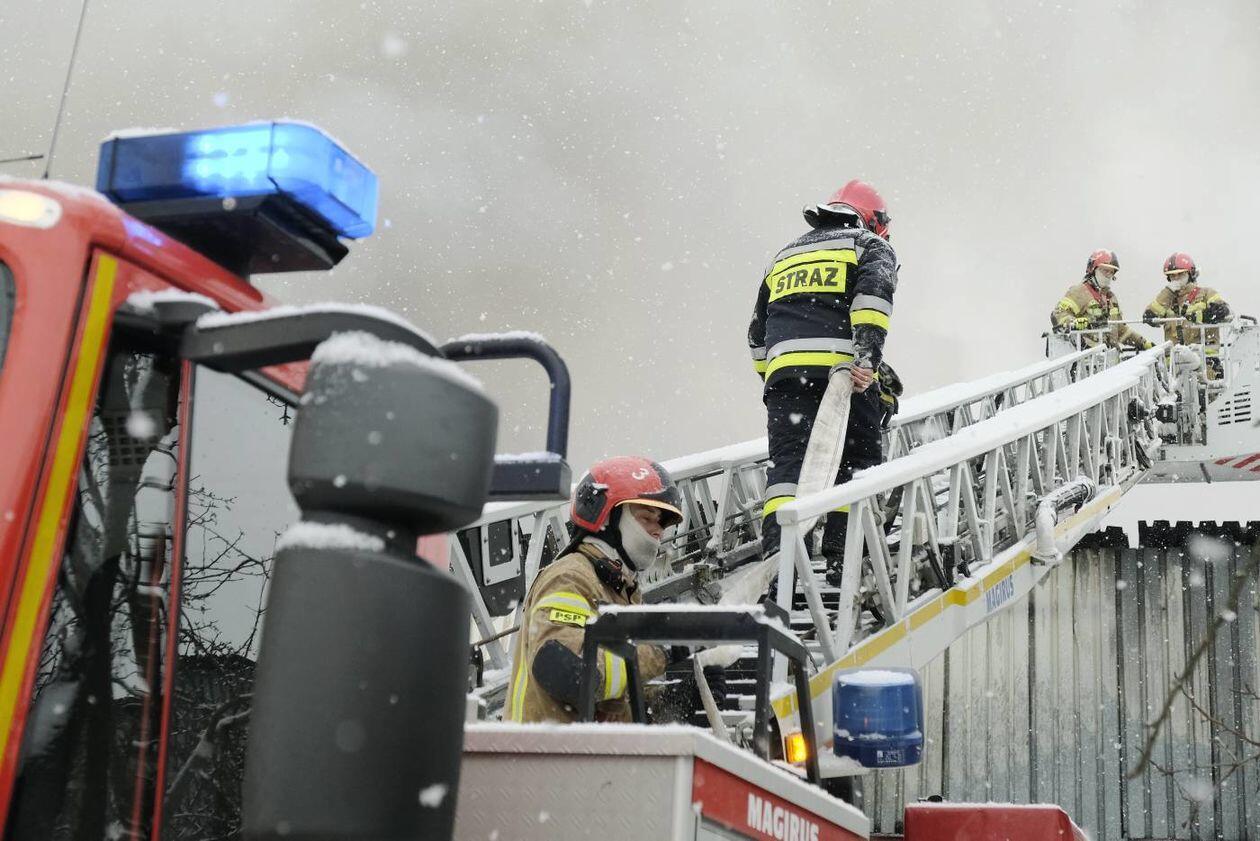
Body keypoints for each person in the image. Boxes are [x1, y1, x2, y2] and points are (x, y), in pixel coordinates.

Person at [748, 179, 897, 587]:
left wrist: (777, 378)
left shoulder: (784, 256)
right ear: (873, 220)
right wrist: (865, 361)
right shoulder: (869, 246)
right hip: (843, 377)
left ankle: (780, 567)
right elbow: (872, 303)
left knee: (787, 469)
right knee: (856, 461)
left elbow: (756, 334)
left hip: (785, 380)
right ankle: (842, 559)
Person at [505, 456, 684, 723]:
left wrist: (679, 697)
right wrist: (660, 649)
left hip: (585, 749)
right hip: (547, 749)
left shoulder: (620, 590)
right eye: (647, 517)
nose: (657, 531)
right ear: (606, 517)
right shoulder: (571, 577)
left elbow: (620, 696)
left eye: (661, 523)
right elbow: (565, 670)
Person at [1050, 250, 1152, 350]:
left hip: (1109, 357)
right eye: (1105, 270)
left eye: (1111, 272)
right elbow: (1058, 314)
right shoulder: (1079, 292)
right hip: (1087, 356)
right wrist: (1073, 322)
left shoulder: (1111, 298)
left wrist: (1142, 343)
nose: (1108, 275)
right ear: (1093, 270)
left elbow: (1120, 329)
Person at [1143, 252, 1231, 358]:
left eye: (1181, 274)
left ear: (1190, 274)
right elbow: (1149, 316)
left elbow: (1226, 314)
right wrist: (1168, 292)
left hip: (1205, 361)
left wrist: (1204, 316)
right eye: (1172, 275)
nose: (1176, 278)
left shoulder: (1207, 293)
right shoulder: (1166, 300)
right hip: (1173, 364)